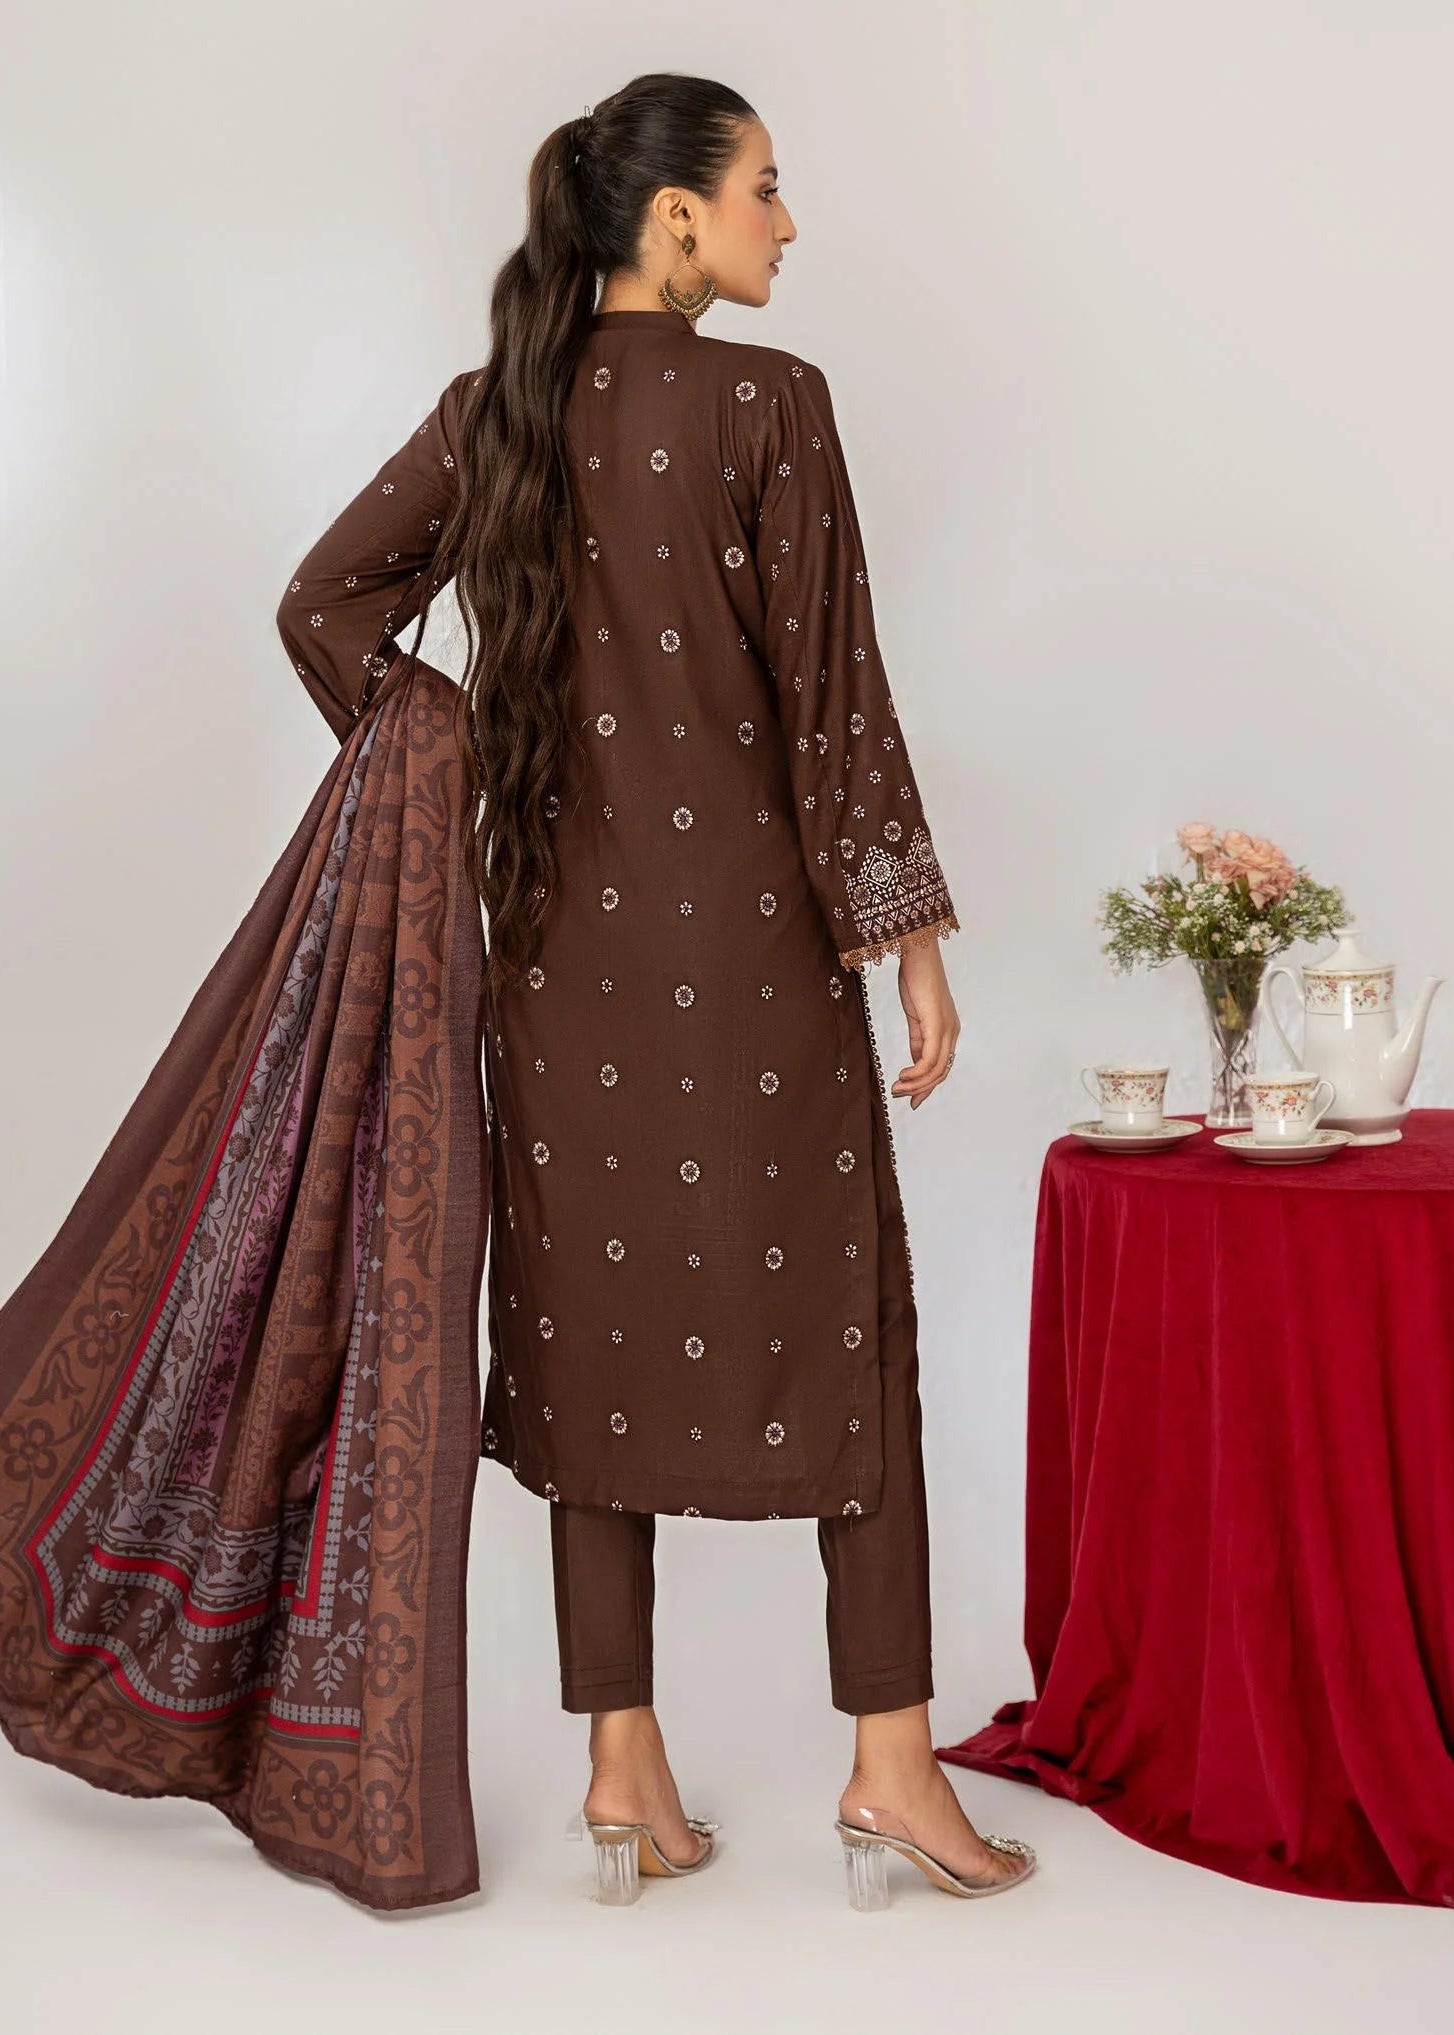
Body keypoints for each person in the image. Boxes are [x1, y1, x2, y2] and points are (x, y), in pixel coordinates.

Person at [275, 71, 1035, 1908]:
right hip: (753, 955)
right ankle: (891, 1770)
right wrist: (908, 934)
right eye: (766, 187)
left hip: (552, 962)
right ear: (675, 214)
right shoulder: (769, 403)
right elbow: (832, 698)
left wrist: (454, 755)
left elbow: (322, 608)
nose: (790, 222)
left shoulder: (495, 413)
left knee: (584, 1328)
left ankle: (623, 1766)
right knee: (850, 1328)